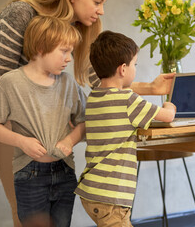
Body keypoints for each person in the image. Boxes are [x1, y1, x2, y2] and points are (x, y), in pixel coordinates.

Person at [0, 0, 173, 227]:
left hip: (14, 99)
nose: (102, 10)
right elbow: (2, 80)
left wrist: (152, 88)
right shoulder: (21, 13)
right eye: (97, 2)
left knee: (24, 200)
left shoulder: (74, 30)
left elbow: (104, 80)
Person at [0, 16, 86, 226]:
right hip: (29, 176)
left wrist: (70, 141)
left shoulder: (68, 83)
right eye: (64, 51)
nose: (69, 58)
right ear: (40, 47)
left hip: (65, 172)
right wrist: (22, 142)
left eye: (70, 52)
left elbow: (84, 122)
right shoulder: (10, 82)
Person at [75, 30, 176, 227]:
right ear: (123, 69)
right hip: (111, 197)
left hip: (91, 191)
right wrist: (170, 103)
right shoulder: (127, 100)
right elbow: (168, 117)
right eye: (134, 65)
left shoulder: (94, 98)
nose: (135, 69)